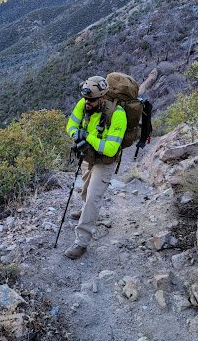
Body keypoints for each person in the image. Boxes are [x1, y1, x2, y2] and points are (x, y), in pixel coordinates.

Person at [64, 76, 127, 259]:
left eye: (92, 100)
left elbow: (111, 148)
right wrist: (77, 135)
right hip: (88, 156)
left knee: (92, 197)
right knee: (85, 191)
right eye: (86, 99)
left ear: (103, 98)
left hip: (106, 162)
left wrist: (88, 138)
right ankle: (86, 212)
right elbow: (71, 124)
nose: (87, 103)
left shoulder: (118, 114)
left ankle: (81, 242)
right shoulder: (83, 104)